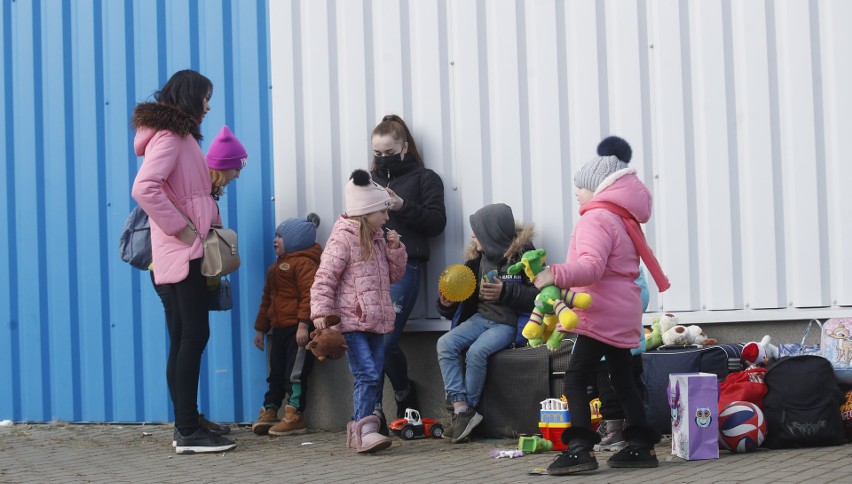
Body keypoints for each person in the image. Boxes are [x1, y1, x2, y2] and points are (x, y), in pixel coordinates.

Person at [534, 136, 668, 474]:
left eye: (581, 187)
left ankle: (579, 449)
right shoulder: (623, 220)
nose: (577, 193)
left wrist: (555, 274)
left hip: (600, 311)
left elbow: (592, 267)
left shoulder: (596, 219)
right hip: (623, 310)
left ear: (599, 188)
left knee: (577, 377)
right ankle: (640, 446)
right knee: (622, 378)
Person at [131, 70, 237, 454]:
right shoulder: (172, 137)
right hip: (184, 253)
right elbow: (144, 188)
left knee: (184, 337)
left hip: (184, 252)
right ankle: (188, 431)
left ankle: (187, 420)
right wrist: (185, 230)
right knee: (192, 335)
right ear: (191, 97)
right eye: (206, 97)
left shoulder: (182, 136)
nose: (209, 106)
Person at [310, 169, 407, 454]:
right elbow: (324, 277)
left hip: (375, 320)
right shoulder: (342, 240)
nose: (387, 218)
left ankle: (359, 430)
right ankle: (365, 430)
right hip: (350, 322)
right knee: (366, 372)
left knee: (374, 373)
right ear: (365, 212)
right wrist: (321, 315)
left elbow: (392, 276)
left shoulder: (377, 239)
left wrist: (395, 249)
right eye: (382, 212)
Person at [436, 203, 538, 443]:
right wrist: (446, 304)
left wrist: (505, 293)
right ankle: (461, 409)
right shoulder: (476, 260)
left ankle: (467, 413)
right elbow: (461, 302)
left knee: (477, 353)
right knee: (445, 344)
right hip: (480, 319)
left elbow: (539, 297)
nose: (473, 237)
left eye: (478, 232)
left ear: (492, 233)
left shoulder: (524, 257)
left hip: (507, 325)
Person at [370, 114, 446, 420]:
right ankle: (371, 413)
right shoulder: (370, 181)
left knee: (386, 340)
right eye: (378, 153)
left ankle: (403, 392)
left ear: (404, 147)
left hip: (406, 266)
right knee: (371, 340)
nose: (383, 159)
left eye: (389, 152)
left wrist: (402, 206)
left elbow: (437, 223)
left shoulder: (426, 178)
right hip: (370, 269)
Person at [251, 214, 322, 436]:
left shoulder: (305, 264)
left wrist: (304, 325)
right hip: (279, 329)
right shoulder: (276, 268)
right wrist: (261, 329)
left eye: (280, 236)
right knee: (275, 373)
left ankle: (295, 414)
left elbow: (309, 296)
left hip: (297, 331)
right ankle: (271, 409)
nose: (275, 240)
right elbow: (267, 300)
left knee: (295, 374)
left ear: (296, 241)